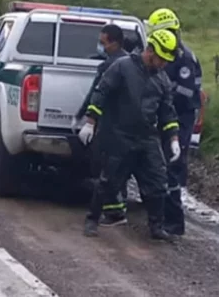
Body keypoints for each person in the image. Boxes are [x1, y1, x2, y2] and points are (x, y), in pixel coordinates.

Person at [80, 29, 181, 241]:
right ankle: (92, 220)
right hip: (120, 135)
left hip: (147, 138)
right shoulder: (123, 67)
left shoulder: (161, 80)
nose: (164, 64)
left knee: (157, 182)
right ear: (150, 51)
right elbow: (102, 92)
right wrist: (90, 121)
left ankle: (156, 227)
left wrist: (173, 139)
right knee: (108, 181)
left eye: (166, 61)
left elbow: (167, 112)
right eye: (161, 59)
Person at [146, 8, 203, 236]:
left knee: (172, 166)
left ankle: (174, 221)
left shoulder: (184, 59)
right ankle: (160, 215)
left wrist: (161, 91)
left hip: (181, 117)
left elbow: (185, 93)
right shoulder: (169, 54)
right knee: (160, 165)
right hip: (167, 116)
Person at [74, 24, 129, 224]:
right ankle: (117, 209)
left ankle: (113, 213)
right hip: (127, 127)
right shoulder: (132, 64)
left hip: (108, 126)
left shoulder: (110, 66)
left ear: (114, 43)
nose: (101, 47)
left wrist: (82, 117)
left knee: (104, 168)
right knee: (119, 169)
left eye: (103, 43)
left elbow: (96, 94)